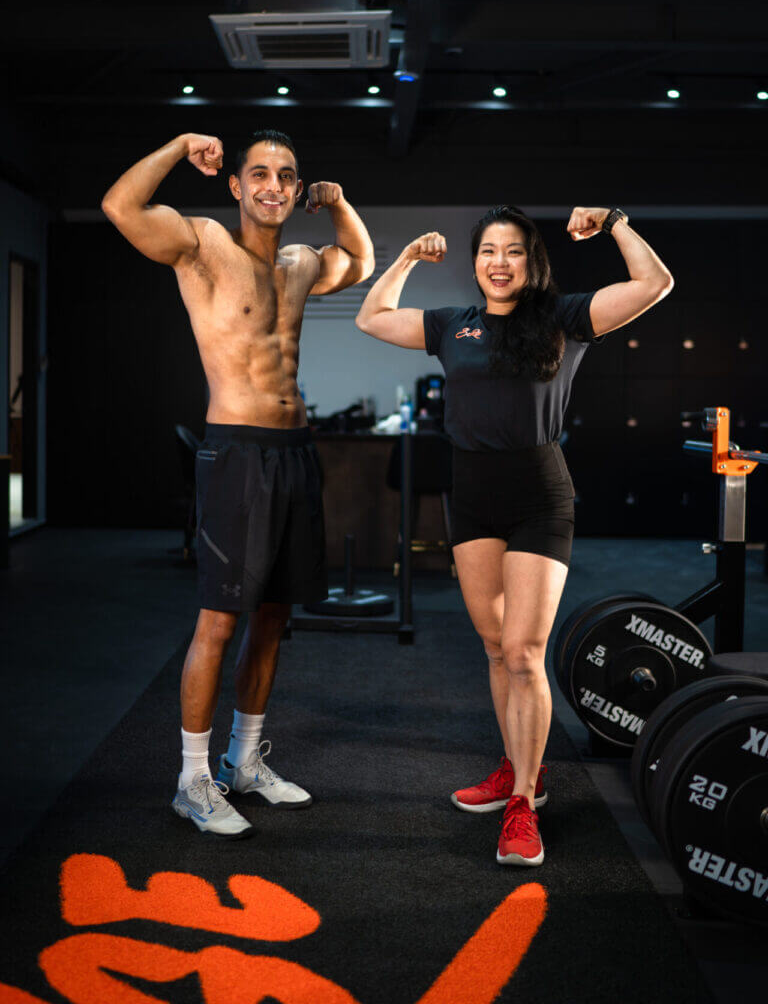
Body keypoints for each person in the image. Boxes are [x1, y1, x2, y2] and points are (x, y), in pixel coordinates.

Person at [355, 205, 673, 865]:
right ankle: (515, 763)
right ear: (475, 264)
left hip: (539, 494)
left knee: (527, 653)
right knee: (496, 647)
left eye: (513, 252)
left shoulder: (564, 318)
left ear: (532, 262)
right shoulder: (452, 326)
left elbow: (653, 284)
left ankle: (524, 801)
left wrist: (614, 223)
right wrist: (410, 258)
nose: (499, 263)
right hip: (469, 495)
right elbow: (371, 316)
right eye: (487, 251)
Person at [102, 130, 375, 838]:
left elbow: (363, 262)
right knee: (219, 623)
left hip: (293, 451)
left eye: (287, 175)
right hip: (236, 453)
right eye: (259, 174)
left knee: (275, 618)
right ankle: (192, 780)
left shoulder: (299, 263)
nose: (274, 186)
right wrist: (176, 146)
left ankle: (243, 762)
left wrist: (339, 204)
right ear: (236, 186)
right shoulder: (200, 246)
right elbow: (119, 205)